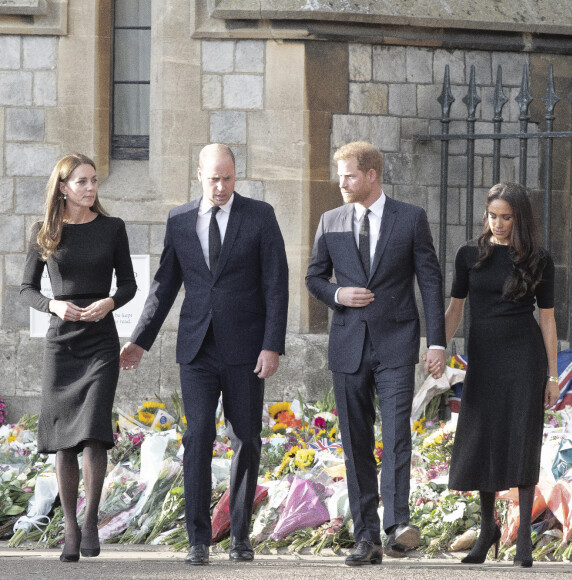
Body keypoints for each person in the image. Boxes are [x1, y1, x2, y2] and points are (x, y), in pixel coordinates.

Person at [119, 144, 289, 566]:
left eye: (228, 178)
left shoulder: (259, 216)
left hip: (246, 349)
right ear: (199, 175)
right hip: (196, 348)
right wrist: (140, 340)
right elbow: (164, 285)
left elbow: (276, 283)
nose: (221, 187)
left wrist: (272, 345)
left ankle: (239, 536)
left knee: (245, 438)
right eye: (214, 178)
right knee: (197, 437)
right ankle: (197, 538)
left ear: (236, 176)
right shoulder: (179, 219)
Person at [305, 141, 446, 565]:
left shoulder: (410, 218)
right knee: (356, 443)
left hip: (397, 344)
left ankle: (397, 524)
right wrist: (337, 294)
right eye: (340, 175)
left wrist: (436, 342)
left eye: (348, 175)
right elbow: (314, 277)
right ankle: (366, 536)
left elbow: (431, 282)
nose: (341, 183)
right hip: (348, 346)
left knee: (397, 433)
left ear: (371, 175)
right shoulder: (330, 221)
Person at [20, 154, 137, 563]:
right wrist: (53, 307)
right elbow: (27, 288)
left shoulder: (112, 228)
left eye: (94, 182)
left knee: (92, 430)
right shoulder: (44, 231)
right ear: (63, 187)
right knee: (64, 441)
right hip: (62, 342)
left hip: (101, 341)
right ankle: (70, 526)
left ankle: (91, 521)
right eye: (82, 182)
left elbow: (129, 285)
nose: (90, 188)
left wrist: (109, 302)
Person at [441, 182, 560, 567]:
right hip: (485, 358)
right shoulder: (468, 255)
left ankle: (523, 534)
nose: (498, 224)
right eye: (493, 216)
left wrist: (553, 375)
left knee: (522, 438)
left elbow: (547, 320)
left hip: (524, 358)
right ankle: (488, 528)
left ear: (520, 218)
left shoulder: (539, 259)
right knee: (485, 439)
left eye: (506, 217)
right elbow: (456, 309)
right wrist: (438, 350)